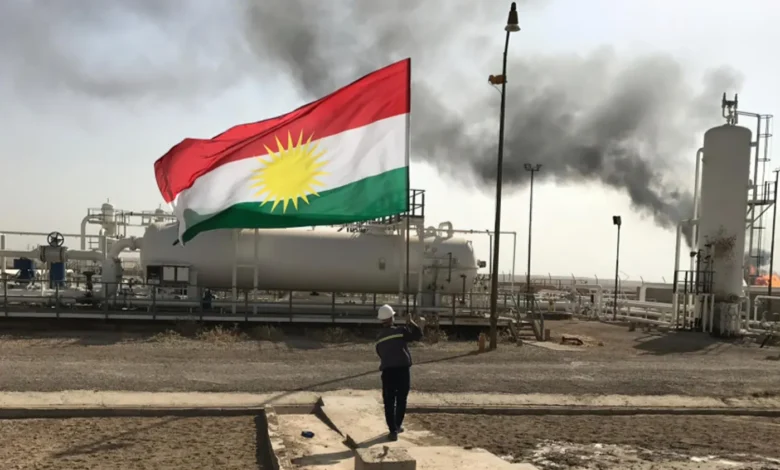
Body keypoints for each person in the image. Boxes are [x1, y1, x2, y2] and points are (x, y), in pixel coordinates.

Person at [375, 304, 425, 441]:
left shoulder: (379, 337)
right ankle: (397, 425)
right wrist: (411, 322)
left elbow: (380, 353)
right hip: (402, 370)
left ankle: (393, 431)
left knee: (389, 401)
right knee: (401, 399)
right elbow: (418, 335)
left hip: (387, 372)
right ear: (392, 318)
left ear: (381, 320)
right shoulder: (400, 331)